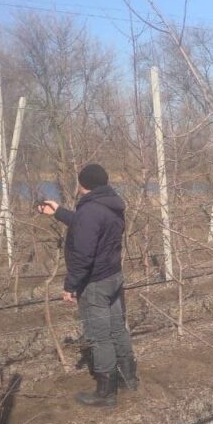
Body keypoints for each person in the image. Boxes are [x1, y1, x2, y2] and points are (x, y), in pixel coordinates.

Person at [37, 164, 138, 406]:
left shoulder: (91, 211)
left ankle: (106, 393)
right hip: (113, 276)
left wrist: (71, 285)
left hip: (95, 283)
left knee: (99, 337)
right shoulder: (110, 204)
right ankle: (128, 379)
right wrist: (59, 212)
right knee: (116, 329)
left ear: (83, 185)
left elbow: (83, 253)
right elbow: (87, 225)